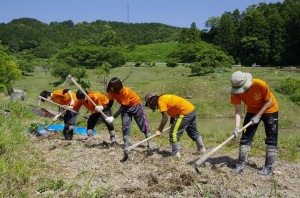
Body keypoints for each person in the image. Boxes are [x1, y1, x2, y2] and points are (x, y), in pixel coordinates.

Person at [230, 71, 279, 175]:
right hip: (252, 110)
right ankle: (241, 164)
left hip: (270, 109)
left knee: (271, 137)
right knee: (245, 136)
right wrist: (236, 127)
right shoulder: (235, 92)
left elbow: (269, 101)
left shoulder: (259, 84)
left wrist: (258, 115)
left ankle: (268, 167)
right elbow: (238, 111)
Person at [144, 93, 206, 159]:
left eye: (149, 104)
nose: (150, 106)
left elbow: (165, 117)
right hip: (191, 110)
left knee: (174, 133)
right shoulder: (164, 98)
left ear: (151, 100)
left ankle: (175, 155)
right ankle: (201, 149)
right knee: (192, 131)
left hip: (184, 112)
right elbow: (174, 109)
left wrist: (159, 130)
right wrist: (172, 123)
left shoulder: (160, 101)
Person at [105, 77, 154, 150]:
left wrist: (113, 117)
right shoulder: (112, 92)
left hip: (136, 106)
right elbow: (109, 105)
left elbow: (123, 107)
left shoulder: (125, 91)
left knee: (143, 124)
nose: (111, 89)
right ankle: (127, 144)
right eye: (110, 87)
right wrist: (102, 107)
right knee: (125, 126)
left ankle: (150, 143)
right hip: (125, 108)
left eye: (112, 87)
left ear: (117, 86)